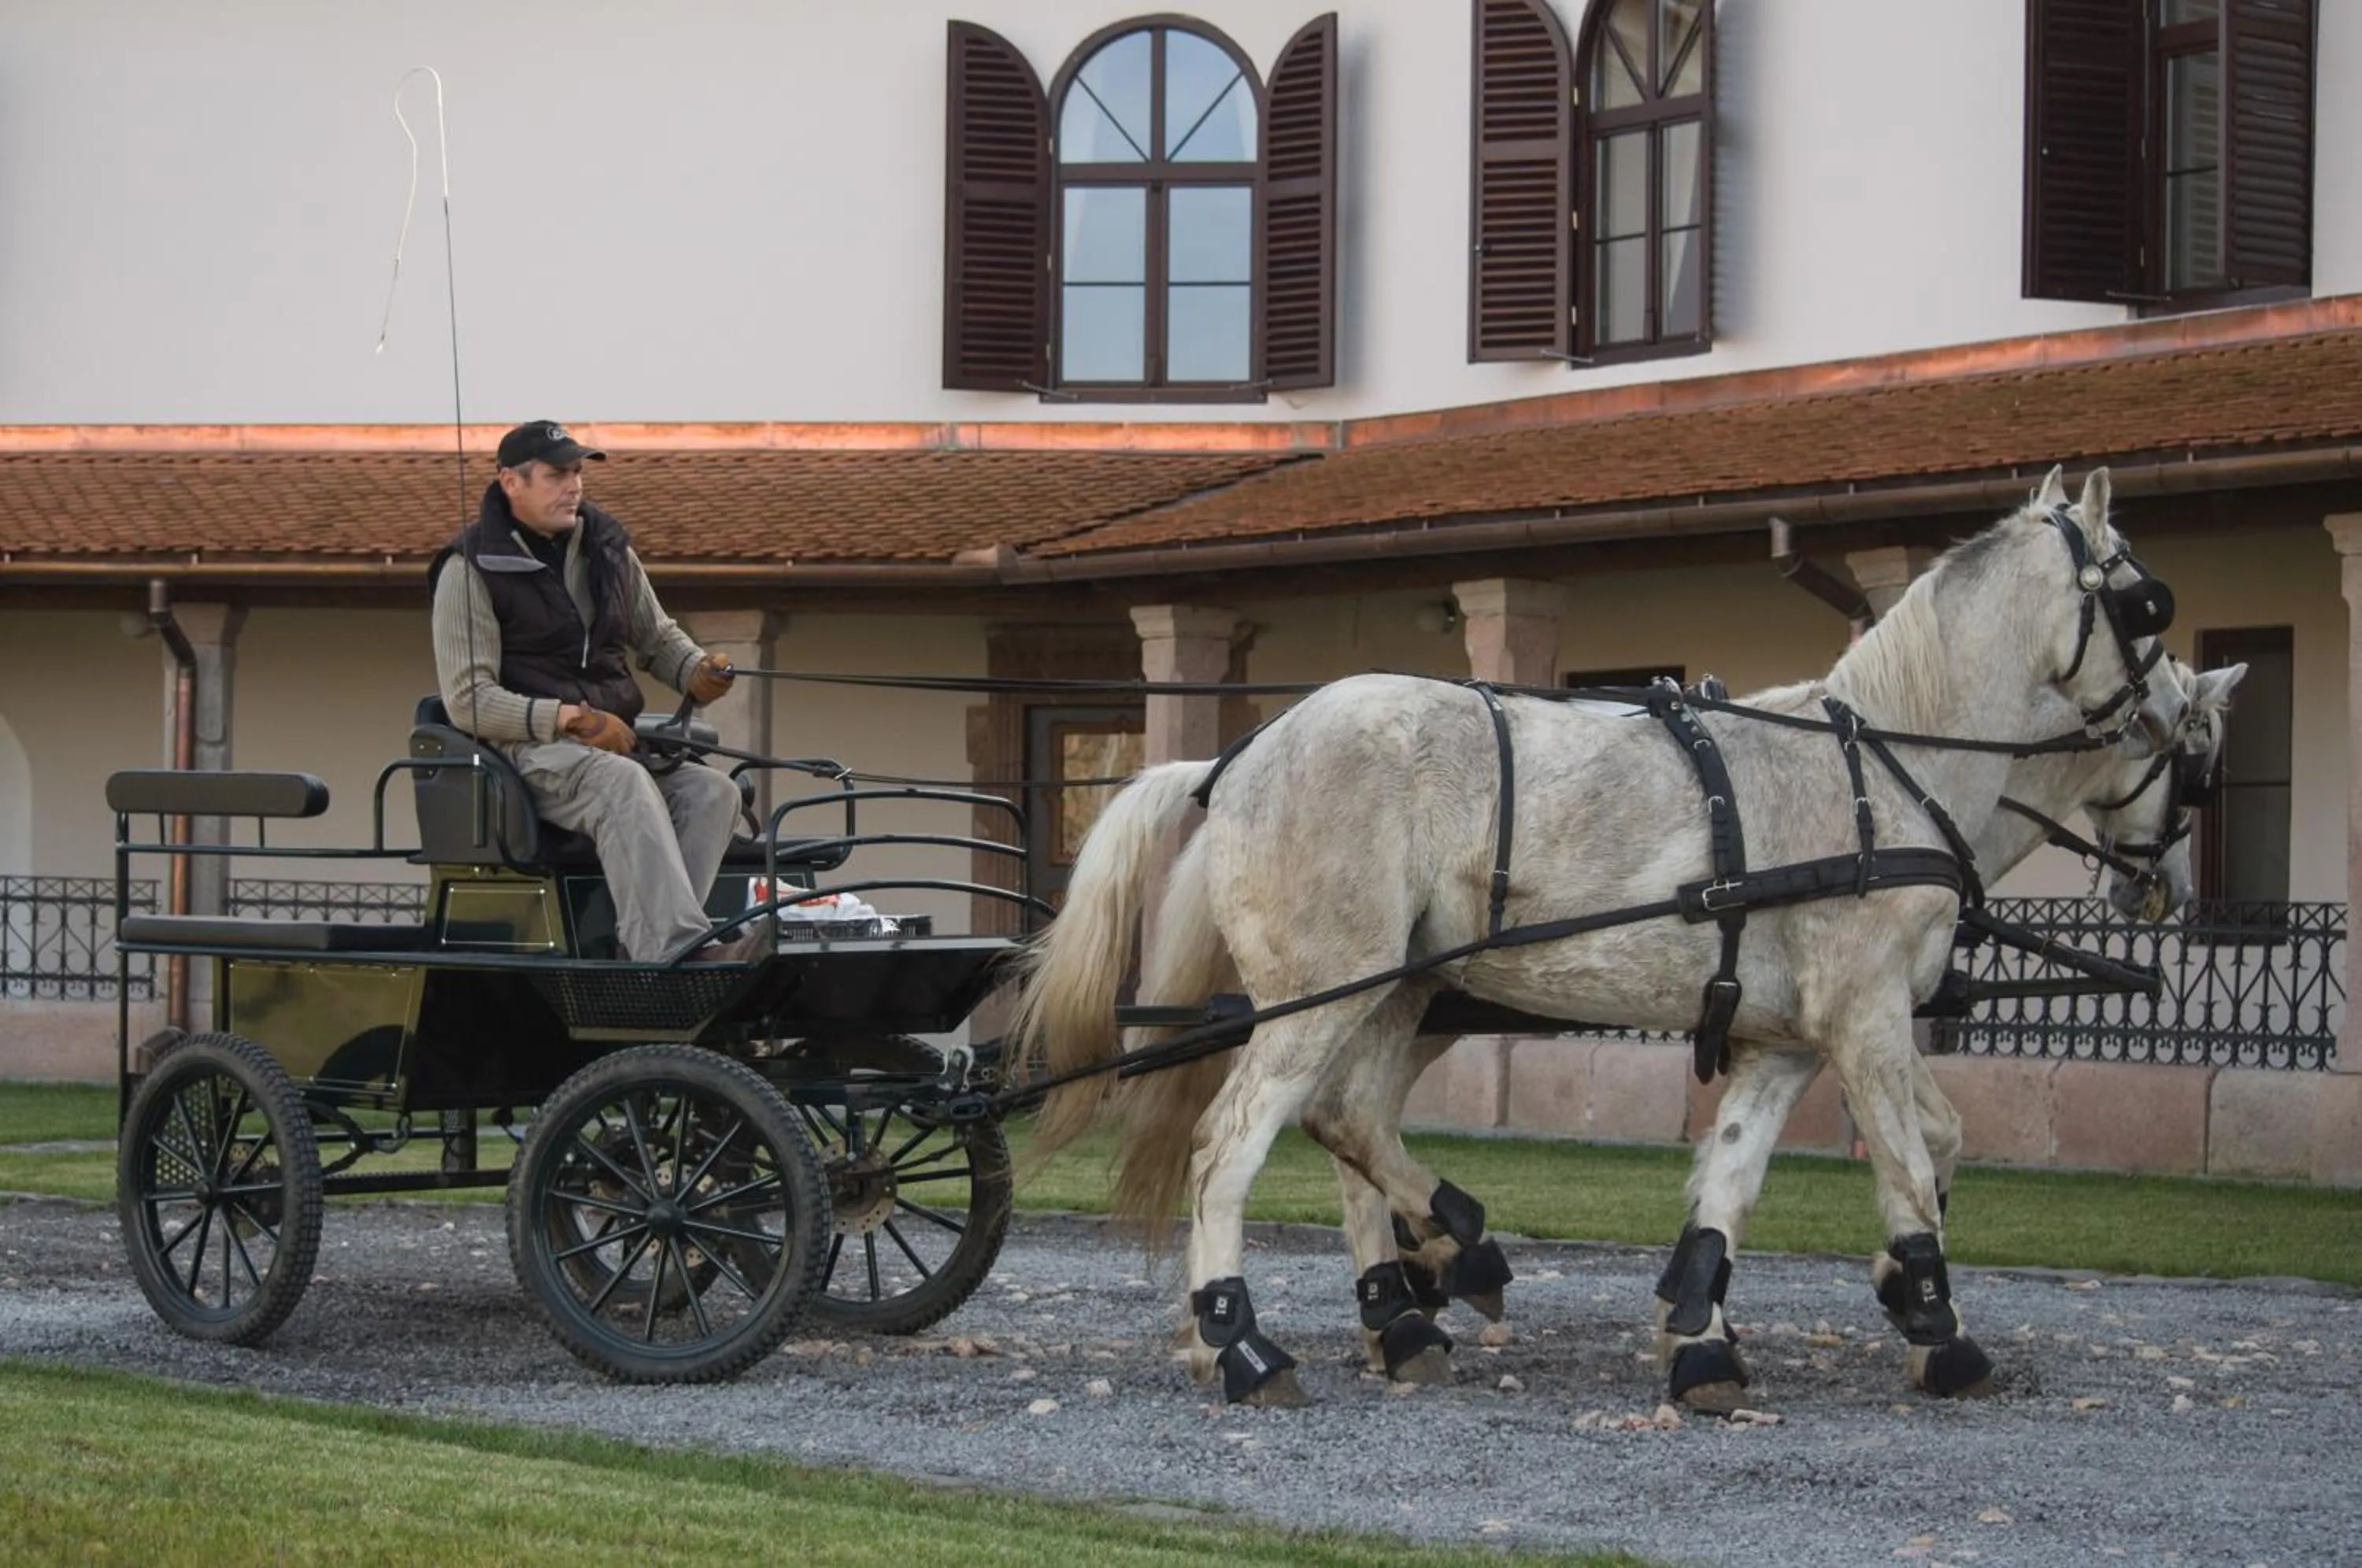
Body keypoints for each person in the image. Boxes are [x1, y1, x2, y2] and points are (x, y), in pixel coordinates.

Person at [428, 419, 766, 962]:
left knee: (713, 793)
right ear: (510, 482)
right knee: (622, 784)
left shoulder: (607, 549)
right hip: (522, 754)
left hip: (609, 744)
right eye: (557, 474)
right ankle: (670, 950)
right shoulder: (469, 569)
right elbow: (468, 701)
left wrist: (698, 670)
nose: (574, 486)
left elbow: (656, 638)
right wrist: (569, 719)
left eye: (578, 473)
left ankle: (661, 938)